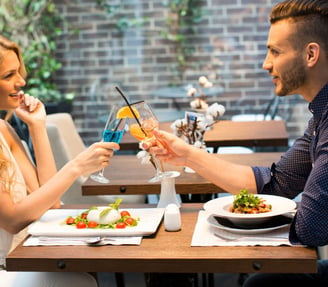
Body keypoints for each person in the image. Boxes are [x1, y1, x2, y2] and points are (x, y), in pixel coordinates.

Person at [150, 0, 328, 286]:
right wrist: (186, 155)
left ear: (310, 54)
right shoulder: (320, 116)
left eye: (275, 51)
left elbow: (311, 227)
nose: (265, 63)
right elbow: (274, 184)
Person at [0, 35, 119, 286]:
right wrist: (75, 167)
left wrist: (37, 127)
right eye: (8, 75)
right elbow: (12, 220)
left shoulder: (4, 129)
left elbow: (50, 202)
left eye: (19, 72)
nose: (21, 81)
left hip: (24, 253)